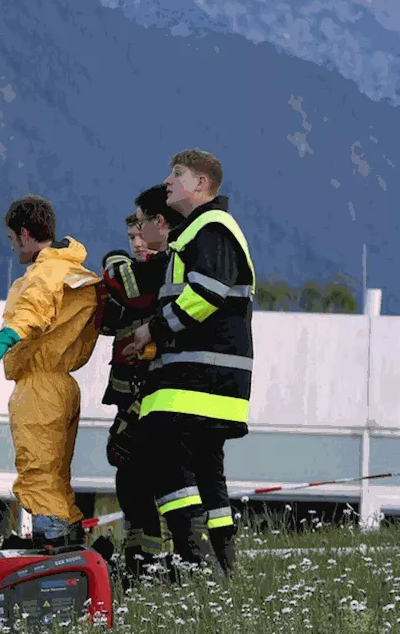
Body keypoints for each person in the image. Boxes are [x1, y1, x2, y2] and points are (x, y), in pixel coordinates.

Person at [124, 149, 256, 577]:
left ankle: (192, 559)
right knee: (207, 469)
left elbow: (207, 293)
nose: (167, 181)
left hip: (196, 379)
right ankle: (222, 567)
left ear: (200, 184)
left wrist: (153, 332)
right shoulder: (195, 234)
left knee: (160, 453)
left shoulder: (211, 227)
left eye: (176, 174)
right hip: (213, 383)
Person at [0, 194, 102, 548]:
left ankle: (51, 544)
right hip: (63, 384)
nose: (13, 249)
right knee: (57, 472)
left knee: (38, 469)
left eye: (13, 240)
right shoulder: (74, 270)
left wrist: (4, 339)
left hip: (40, 384)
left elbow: (33, 311)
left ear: (26, 234)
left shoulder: (45, 274)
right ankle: (69, 537)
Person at [96, 184, 183, 581]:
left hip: (151, 392)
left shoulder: (158, 272)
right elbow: (109, 319)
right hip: (128, 389)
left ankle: (151, 558)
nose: (137, 245)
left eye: (140, 236)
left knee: (142, 473)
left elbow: (130, 290)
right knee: (128, 477)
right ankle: (137, 556)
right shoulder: (134, 272)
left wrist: (112, 261)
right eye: (130, 239)